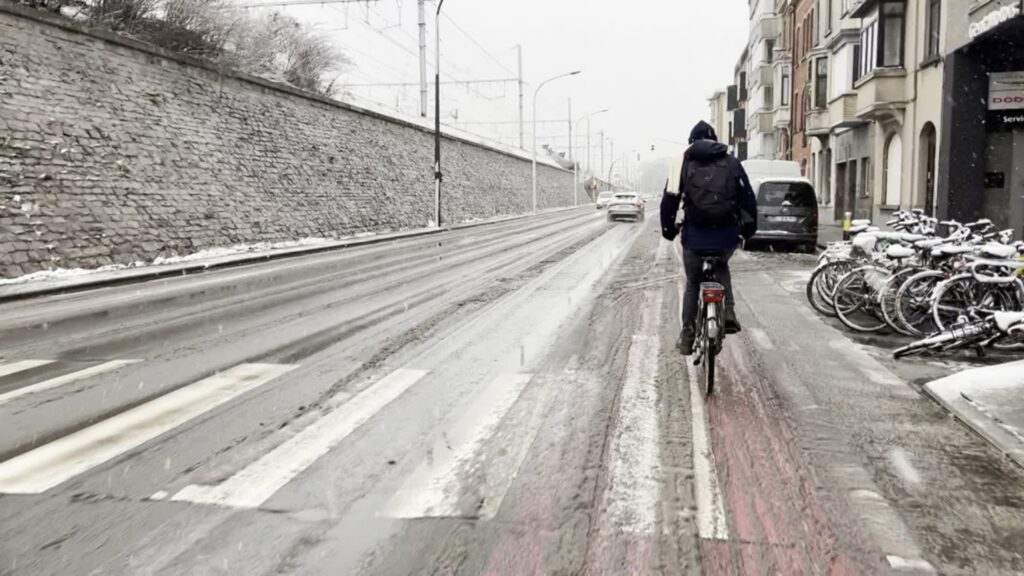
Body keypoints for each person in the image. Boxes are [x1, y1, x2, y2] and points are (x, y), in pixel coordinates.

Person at [660, 121, 757, 355]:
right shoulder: (732, 163)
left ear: (691, 142)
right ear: (714, 140)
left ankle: (687, 333)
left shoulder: (682, 163)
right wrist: (748, 230)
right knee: (721, 266)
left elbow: (670, 200)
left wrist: (668, 229)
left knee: (693, 282)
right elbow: (748, 198)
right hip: (726, 235)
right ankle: (729, 312)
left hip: (695, 236)